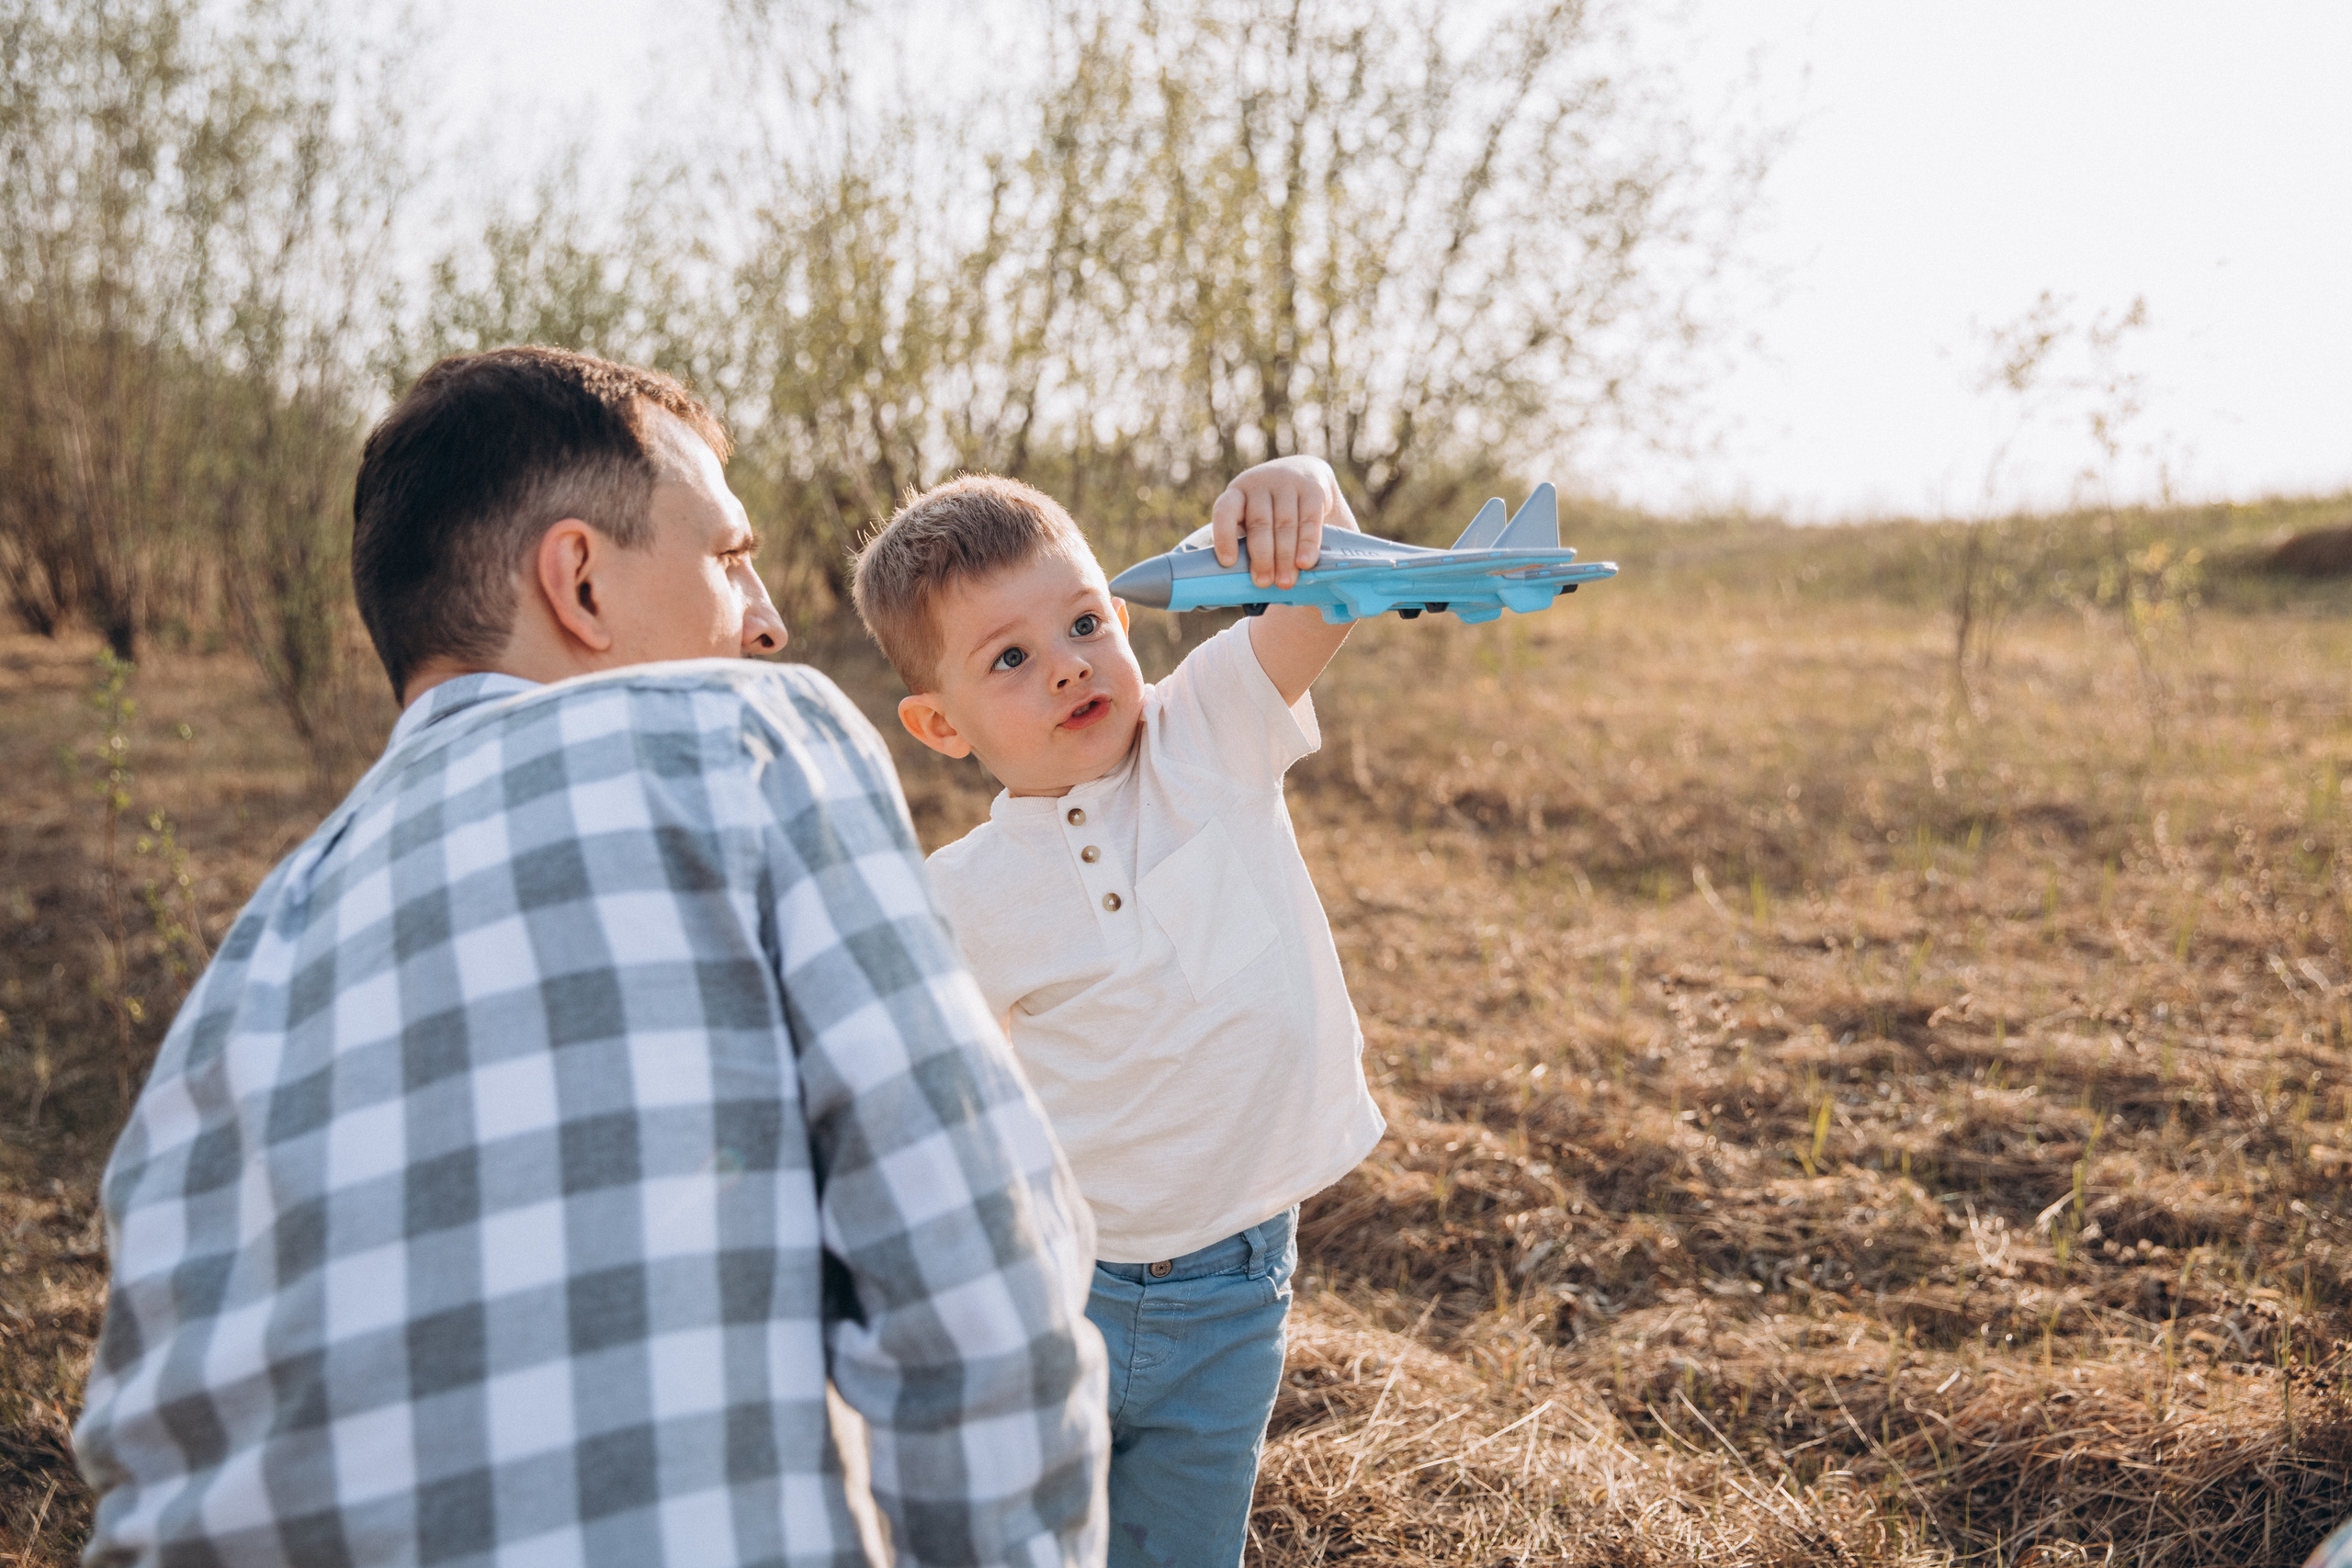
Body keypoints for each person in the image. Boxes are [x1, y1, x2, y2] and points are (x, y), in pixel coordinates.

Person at [74, 346, 1109, 1568]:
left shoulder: (226, 994)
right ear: (580, 583)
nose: (767, 618)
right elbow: (974, 1280)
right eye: (729, 558)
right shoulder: (743, 736)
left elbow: (144, 1474)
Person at [850, 460, 1384, 1566]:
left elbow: (1330, 586)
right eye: (1010, 656)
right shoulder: (960, 895)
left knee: (1183, 1545)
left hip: (1233, 1292)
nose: (1068, 666)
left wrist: (1303, 489)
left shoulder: (1207, 735)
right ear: (939, 725)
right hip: (1059, 1293)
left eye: (1087, 620)